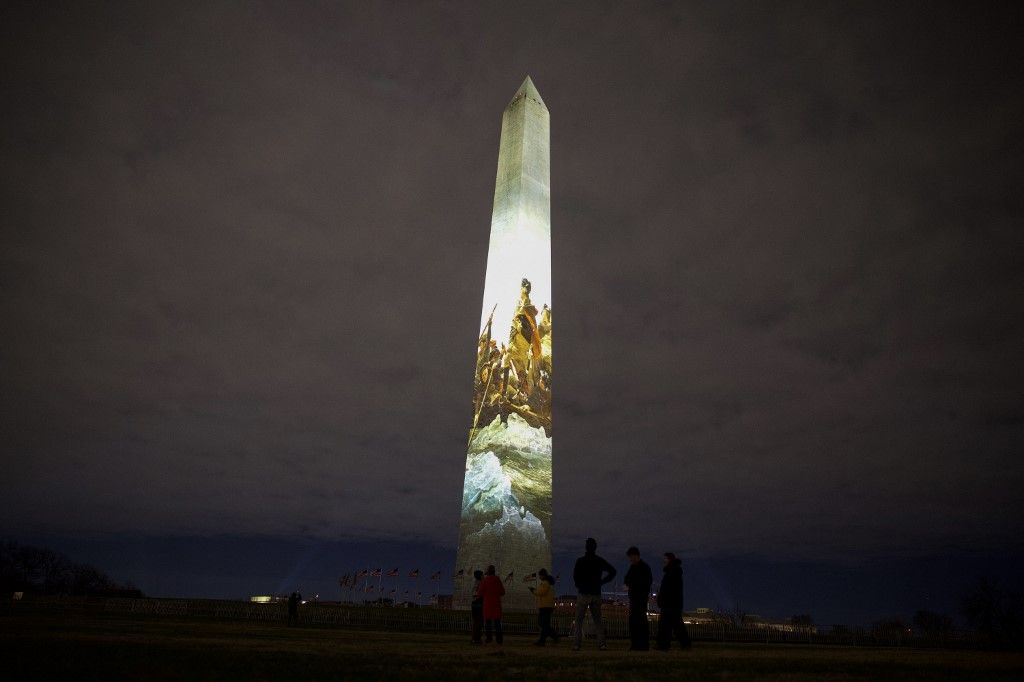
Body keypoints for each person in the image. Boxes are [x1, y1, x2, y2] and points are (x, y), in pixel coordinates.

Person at [572, 537, 616, 651]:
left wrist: (579, 585)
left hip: (583, 593)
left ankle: (577, 644)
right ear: (595, 548)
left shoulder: (580, 561)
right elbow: (613, 571)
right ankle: (602, 644)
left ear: (586, 547)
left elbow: (575, 576)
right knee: (598, 621)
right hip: (596, 593)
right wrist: (602, 582)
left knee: (579, 621)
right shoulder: (599, 561)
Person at [656, 552, 691, 651]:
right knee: (670, 624)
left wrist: (661, 599)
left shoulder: (672, 572)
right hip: (672, 603)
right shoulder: (674, 571)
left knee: (672, 624)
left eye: (665, 559)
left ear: (669, 559)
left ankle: (667, 644)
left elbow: (668, 589)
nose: (663, 561)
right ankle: (665, 644)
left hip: (670, 603)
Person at [623, 546, 653, 651]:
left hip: (640, 598)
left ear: (636, 556)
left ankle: (642, 644)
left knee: (640, 622)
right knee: (634, 622)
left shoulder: (644, 568)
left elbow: (645, 582)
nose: (630, 560)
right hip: (634, 598)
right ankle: (636, 644)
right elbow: (627, 578)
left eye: (631, 557)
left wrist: (630, 585)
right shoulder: (634, 567)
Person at [529, 568, 559, 645]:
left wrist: (533, 590)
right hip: (548, 606)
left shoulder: (545, 583)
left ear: (542, 575)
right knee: (545, 624)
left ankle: (553, 636)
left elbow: (541, 592)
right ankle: (543, 640)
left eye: (540, 575)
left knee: (542, 623)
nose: (539, 577)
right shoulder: (548, 583)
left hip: (545, 606)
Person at [478, 565, 505, 645]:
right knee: (497, 623)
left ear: (488, 572)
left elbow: (480, 593)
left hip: (487, 604)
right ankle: (499, 640)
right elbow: (503, 592)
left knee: (488, 623)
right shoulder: (497, 579)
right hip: (496, 604)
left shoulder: (485, 581)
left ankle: (489, 638)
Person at [470, 570, 484, 644]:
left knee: (476, 622)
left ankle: (474, 638)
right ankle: (476, 639)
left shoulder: (476, 582)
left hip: (475, 604)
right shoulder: (479, 583)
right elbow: (476, 594)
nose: (483, 576)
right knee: (478, 622)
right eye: (482, 575)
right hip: (478, 604)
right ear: (479, 576)